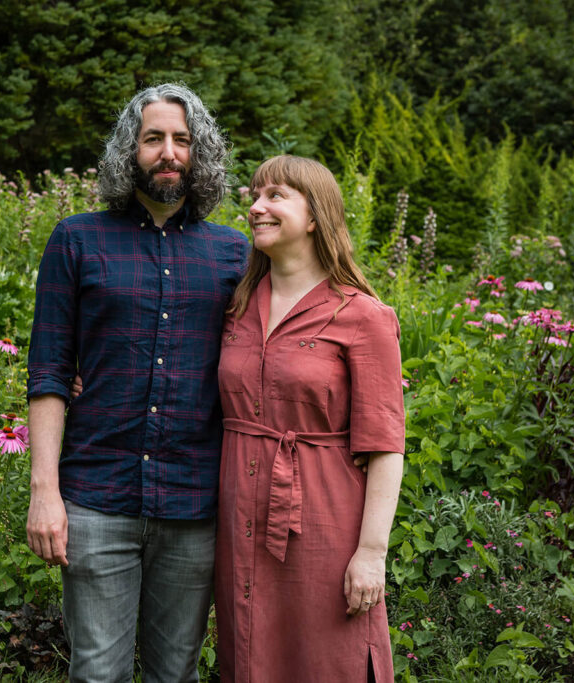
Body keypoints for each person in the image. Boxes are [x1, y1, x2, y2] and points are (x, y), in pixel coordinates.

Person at [25, 83, 249, 682]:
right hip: (97, 497)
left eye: (182, 140)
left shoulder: (235, 254)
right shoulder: (77, 239)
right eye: (154, 139)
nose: (168, 152)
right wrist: (44, 492)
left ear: (199, 153)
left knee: (175, 674)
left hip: (193, 503)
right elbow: (48, 372)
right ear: (130, 150)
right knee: (98, 673)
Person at [215, 155, 406, 681]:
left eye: (275, 195)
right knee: (249, 655)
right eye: (255, 195)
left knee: (327, 659)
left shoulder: (362, 315)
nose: (256, 207)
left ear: (316, 215)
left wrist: (371, 553)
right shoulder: (235, 305)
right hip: (239, 523)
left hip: (325, 522)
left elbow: (386, 446)